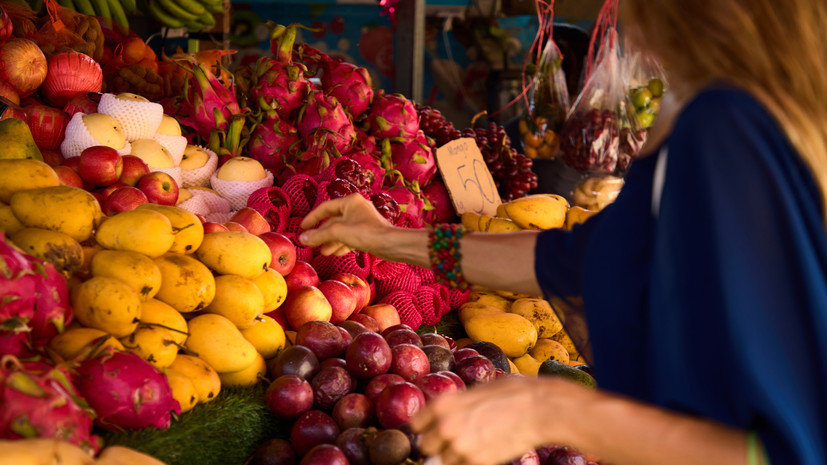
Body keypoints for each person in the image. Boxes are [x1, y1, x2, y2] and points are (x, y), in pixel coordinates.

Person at [299, 0, 827, 464]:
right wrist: (387, 239)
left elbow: (787, 448)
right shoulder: (731, 117)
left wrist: (554, 408)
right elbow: (576, 260)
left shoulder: (725, 128)